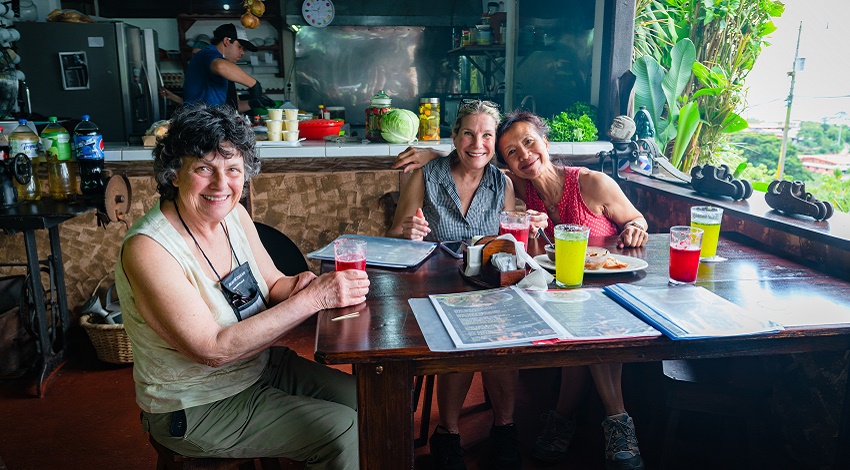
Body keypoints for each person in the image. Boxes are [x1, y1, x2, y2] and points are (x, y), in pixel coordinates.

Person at [115, 102, 369, 469]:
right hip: (196, 403)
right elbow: (212, 350)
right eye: (204, 168)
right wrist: (313, 299)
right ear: (174, 174)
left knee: (372, 400)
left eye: (233, 169)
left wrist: (303, 286)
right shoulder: (149, 249)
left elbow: (274, 284)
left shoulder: (233, 214)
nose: (222, 185)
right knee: (342, 430)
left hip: (259, 366)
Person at [394, 110, 649, 470]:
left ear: (545, 142)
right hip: (536, 289)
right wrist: (434, 156)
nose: (524, 154)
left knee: (571, 326)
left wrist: (636, 226)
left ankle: (598, 420)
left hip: (594, 287)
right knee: (495, 326)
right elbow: (474, 158)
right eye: (512, 151)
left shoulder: (587, 183)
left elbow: (636, 219)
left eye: (529, 142)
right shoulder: (518, 186)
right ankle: (488, 429)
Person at [388, 100, 546, 470]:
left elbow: (510, 244)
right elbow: (394, 234)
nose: (478, 144)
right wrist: (407, 232)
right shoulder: (426, 175)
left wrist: (530, 225)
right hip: (434, 289)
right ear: (455, 137)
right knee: (458, 336)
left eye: (487, 135)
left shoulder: (502, 182)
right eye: (469, 134)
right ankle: (448, 432)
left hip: (487, 288)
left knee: (501, 335)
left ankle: (504, 428)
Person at [183, 23, 275, 113]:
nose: (242, 52)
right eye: (239, 47)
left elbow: (234, 107)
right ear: (226, 41)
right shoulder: (206, 54)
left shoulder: (225, 71)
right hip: (198, 122)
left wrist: (253, 103)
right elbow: (220, 66)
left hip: (212, 121)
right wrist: (254, 84)